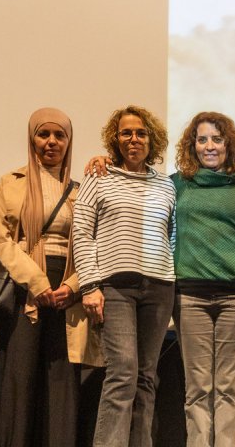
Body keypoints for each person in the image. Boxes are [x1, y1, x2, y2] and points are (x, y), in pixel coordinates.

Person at [0, 108, 97, 447]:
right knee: (18, 382)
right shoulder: (11, 182)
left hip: (69, 290)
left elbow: (93, 243)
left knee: (62, 384)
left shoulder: (82, 189)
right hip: (24, 289)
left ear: (69, 141)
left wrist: (72, 286)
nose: (51, 142)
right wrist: (39, 284)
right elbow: (0, 239)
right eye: (44, 134)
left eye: (60, 135)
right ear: (32, 138)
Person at [72, 105, 176, 447]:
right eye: (126, 132)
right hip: (115, 287)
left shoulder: (166, 186)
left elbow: (171, 235)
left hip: (159, 287)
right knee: (123, 373)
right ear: (115, 140)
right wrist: (89, 285)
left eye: (141, 132)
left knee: (146, 377)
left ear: (152, 139)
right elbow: (82, 233)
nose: (134, 138)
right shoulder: (98, 177)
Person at [171, 111, 235, 446]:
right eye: (202, 139)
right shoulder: (176, 184)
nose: (209, 146)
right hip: (190, 298)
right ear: (192, 145)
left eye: (217, 139)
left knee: (229, 389)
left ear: (229, 143)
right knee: (197, 388)